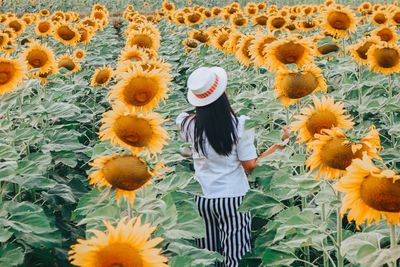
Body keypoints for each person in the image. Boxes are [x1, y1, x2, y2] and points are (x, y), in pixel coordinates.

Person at [176, 66, 290, 267]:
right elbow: (251, 166)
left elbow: (188, 149)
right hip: (233, 199)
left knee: (207, 258)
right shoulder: (239, 126)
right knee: (235, 257)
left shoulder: (187, 124)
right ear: (223, 94)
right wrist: (280, 143)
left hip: (202, 198)